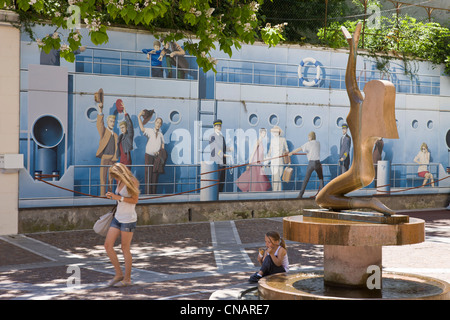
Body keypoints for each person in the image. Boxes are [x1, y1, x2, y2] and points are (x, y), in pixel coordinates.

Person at [104, 163, 139, 287]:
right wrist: (113, 197)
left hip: (128, 219)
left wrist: (118, 197)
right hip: (117, 217)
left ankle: (127, 279)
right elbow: (119, 198)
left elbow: (135, 200)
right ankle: (118, 274)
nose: (114, 179)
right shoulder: (119, 182)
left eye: (115, 176)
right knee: (108, 245)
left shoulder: (132, 181)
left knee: (125, 248)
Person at [289, 131, 324, 198]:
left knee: (306, 179)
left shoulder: (308, 144)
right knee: (321, 178)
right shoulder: (318, 143)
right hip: (318, 163)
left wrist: (291, 153)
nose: (308, 138)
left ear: (310, 137)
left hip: (311, 163)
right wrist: (309, 153)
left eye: (308, 137)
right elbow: (313, 150)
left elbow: (300, 148)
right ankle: (322, 194)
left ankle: (300, 195)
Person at [138, 111, 165, 194]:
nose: (158, 124)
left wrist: (160, 153)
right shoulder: (149, 131)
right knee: (148, 175)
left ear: (161, 125)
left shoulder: (161, 134)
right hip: (149, 156)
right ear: (155, 123)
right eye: (157, 122)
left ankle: (153, 194)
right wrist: (139, 117)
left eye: (160, 123)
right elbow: (142, 129)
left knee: (155, 176)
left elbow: (163, 145)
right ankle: (148, 194)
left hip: (156, 158)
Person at [96, 101, 118, 196]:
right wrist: (100, 110)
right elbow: (99, 124)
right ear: (107, 122)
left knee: (110, 178)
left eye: (113, 122)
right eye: (111, 121)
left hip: (112, 159)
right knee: (103, 177)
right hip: (105, 157)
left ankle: (109, 195)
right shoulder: (104, 132)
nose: (112, 123)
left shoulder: (116, 135)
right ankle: (102, 195)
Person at [209, 119, 231, 192]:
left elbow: (223, 148)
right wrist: (224, 155)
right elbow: (215, 148)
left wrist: (229, 149)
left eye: (220, 126)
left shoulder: (222, 137)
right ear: (214, 127)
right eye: (217, 126)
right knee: (216, 180)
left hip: (223, 162)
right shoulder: (212, 136)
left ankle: (220, 194)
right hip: (216, 162)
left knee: (222, 180)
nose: (219, 127)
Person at [267, 126, 289, 191]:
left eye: (276, 132)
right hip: (273, 161)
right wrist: (267, 161)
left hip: (280, 161)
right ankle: (276, 192)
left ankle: (277, 192)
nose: (275, 133)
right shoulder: (272, 140)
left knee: (278, 177)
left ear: (279, 132)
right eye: (274, 132)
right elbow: (270, 151)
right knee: (274, 178)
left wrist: (285, 153)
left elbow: (287, 149)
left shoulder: (283, 140)